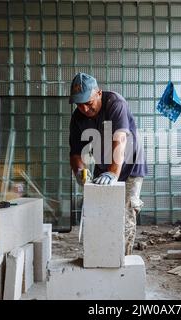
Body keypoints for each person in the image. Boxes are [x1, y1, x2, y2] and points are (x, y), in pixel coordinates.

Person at [68, 72, 147, 255]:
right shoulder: (78, 117)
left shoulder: (115, 103)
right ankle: (100, 256)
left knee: (125, 213)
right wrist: (80, 171)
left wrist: (113, 173)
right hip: (103, 166)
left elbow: (120, 139)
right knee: (99, 212)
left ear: (99, 93)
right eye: (79, 105)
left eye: (88, 103)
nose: (85, 110)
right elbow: (75, 152)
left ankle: (122, 261)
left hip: (130, 165)